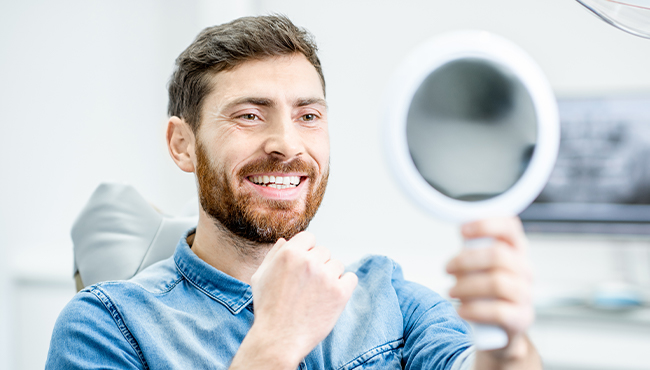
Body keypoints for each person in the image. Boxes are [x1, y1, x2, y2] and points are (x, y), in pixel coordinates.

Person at [46, 15, 540, 369]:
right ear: (183, 145)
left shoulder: (391, 299)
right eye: (249, 115)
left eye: (308, 116)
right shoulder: (107, 326)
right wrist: (275, 343)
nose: (287, 144)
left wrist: (508, 350)